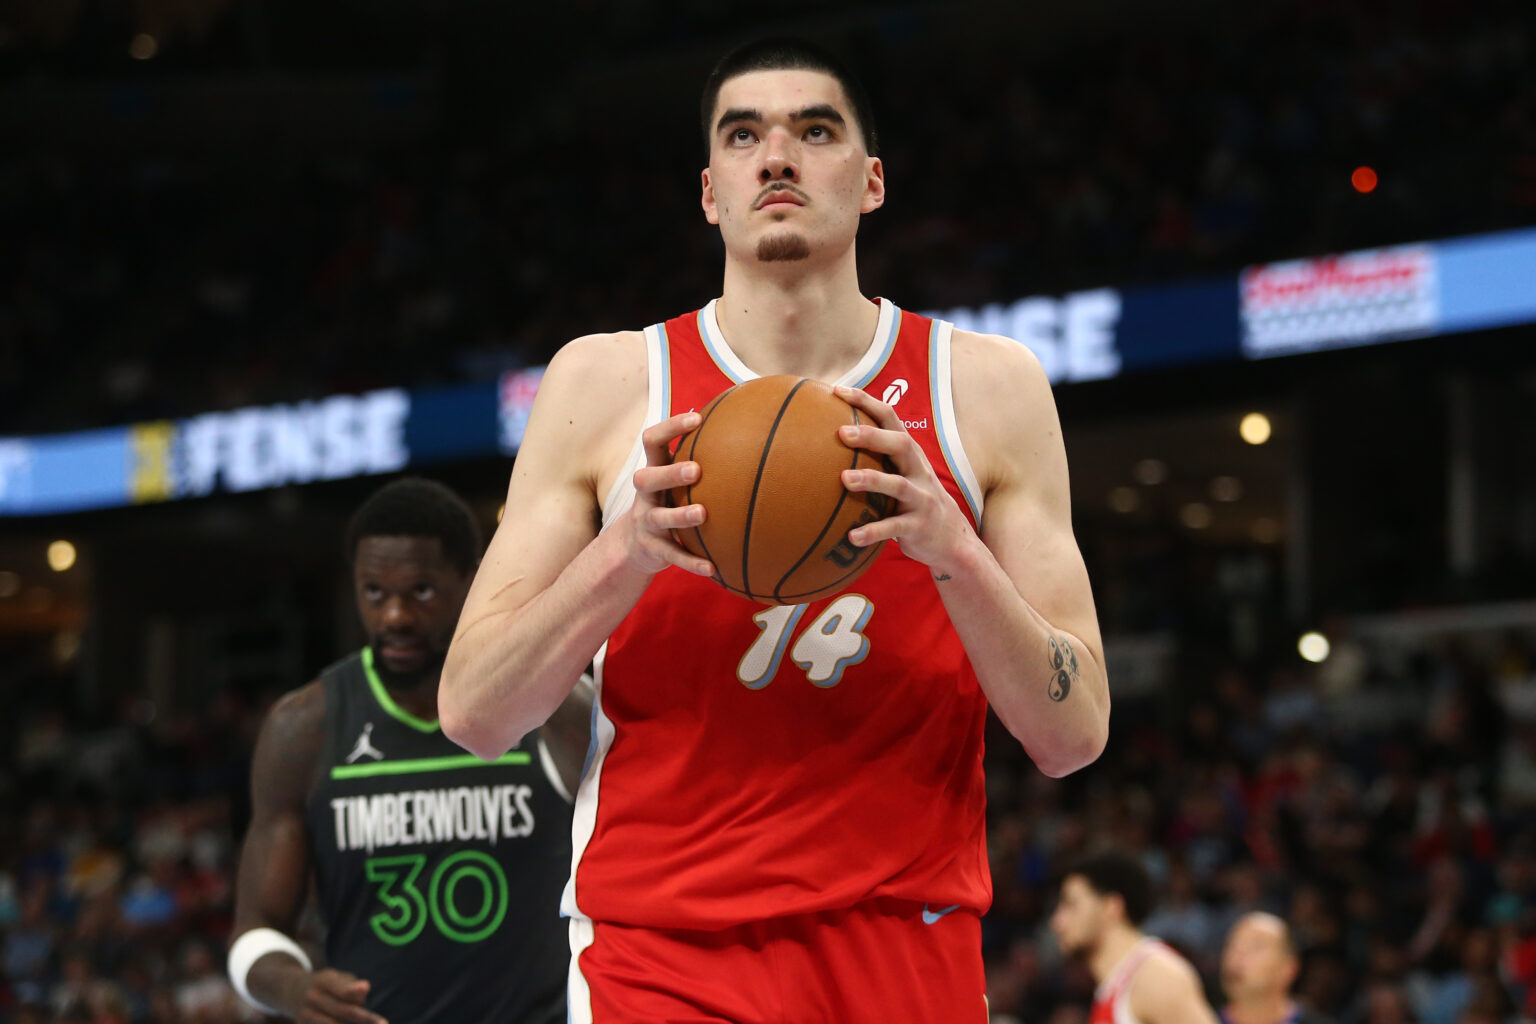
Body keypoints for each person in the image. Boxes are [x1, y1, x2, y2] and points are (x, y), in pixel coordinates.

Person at [440, 36, 1111, 1023]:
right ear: (712, 191)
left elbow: (1075, 731)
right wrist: (624, 550)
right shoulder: (605, 383)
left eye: (816, 129)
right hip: (660, 947)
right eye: (744, 134)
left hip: (904, 937)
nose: (779, 156)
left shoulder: (985, 386)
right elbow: (474, 711)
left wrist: (950, 546)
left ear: (872, 181)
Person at [228, 478, 590, 1024]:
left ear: (471, 581)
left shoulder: (556, 704)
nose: (394, 615)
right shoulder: (303, 728)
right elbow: (256, 928)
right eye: (374, 592)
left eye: (420, 591)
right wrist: (293, 987)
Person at [1049, 851, 1219, 1024]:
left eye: (1071, 904)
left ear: (1111, 907)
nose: (1057, 921)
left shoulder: (1155, 977)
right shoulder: (1113, 988)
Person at [1220, 912, 1335, 1024]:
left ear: (1288, 968)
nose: (1237, 955)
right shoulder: (1206, 1018)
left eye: (1256, 947)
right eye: (1233, 945)